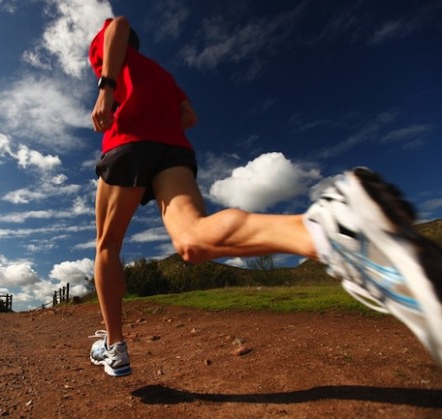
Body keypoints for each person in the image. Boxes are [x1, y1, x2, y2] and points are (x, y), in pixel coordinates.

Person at [87, 16, 442, 377]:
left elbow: (117, 24)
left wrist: (108, 87)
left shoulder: (111, 48)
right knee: (192, 239)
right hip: (173, 151)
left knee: (107, 245)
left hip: (128, 138)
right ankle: (329, 230)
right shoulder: (163, 75)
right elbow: (188, 115)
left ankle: (114, 346)